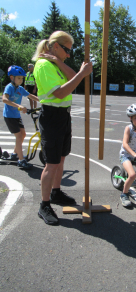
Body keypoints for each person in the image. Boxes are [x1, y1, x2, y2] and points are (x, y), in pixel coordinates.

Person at [32, 30, 92, 225]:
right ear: (55, 46)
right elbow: (60, 92)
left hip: (63, 116)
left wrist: (60, 62)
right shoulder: (42, 65)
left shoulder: (53, 63)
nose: (68, 55)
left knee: (61, 158)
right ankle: (44, 204)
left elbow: (73, 76)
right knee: (51, 163)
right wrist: (83, 74)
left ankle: (56, 193)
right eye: (67, 50)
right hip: (51, 116)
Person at [2, 65, 39, 170]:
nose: (21, 80)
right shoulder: (9, 87)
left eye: (22, 78)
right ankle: (21, 160)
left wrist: (43, 102)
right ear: (11, 78)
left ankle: (14, 154)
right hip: (9, 116)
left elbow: (30, 96)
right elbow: (4, 99)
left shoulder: (20, 88)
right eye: (19, 78)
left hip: (16, 116)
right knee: (19, 136)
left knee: (23, 135)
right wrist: (19, 106)